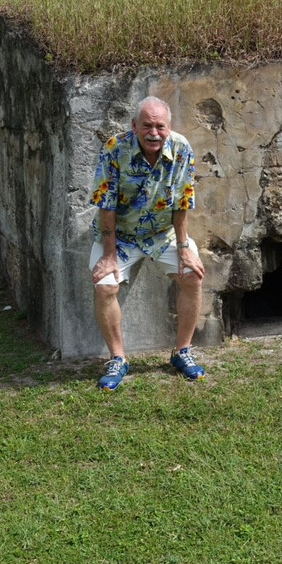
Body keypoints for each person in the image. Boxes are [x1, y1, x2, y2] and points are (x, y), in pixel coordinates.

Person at [88, 96, 207, 390]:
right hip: (122, 235)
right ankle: (118, 359)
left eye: (160, 126)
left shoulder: (181, 148)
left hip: (161, 232)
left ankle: (182, 352)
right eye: (147, 126)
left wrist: (183, 249)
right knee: (105, 285)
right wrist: (109, 254)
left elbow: (182, 201)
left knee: (192, 276)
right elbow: (107, 204)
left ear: (169, 127)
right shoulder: (115, 149)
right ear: (134, 126)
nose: (154, 133)